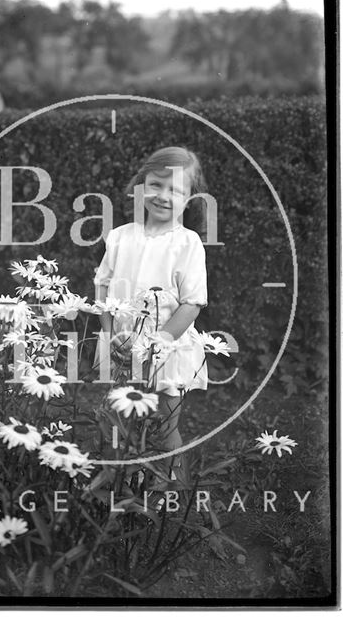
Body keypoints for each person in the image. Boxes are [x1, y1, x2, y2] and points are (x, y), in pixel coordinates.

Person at [93, 146, 209, 476]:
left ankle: (173, 489)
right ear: (142, 185)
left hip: (167, 350)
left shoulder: (187, 244)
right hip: (121, 347)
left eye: (175, 189)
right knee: (120, 422)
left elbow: (192, 304)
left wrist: (157, 343)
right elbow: (103, 287)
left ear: (190, 197)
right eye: (156, 184)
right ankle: (125, 484)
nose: (163, 195)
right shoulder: (119, 238)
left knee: (164, 427)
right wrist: (109, 332)